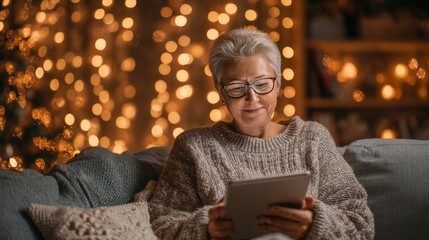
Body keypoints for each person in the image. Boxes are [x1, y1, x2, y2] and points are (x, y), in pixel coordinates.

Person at [148, 27, 374, 239]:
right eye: (237, 88)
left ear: (278, 85)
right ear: (220, 92)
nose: (252, 98)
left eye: (263, 84)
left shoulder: (313, 139)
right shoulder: (194, 147)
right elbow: (160, 224)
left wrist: (315, 224)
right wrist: (206, 228)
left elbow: (361, 224)